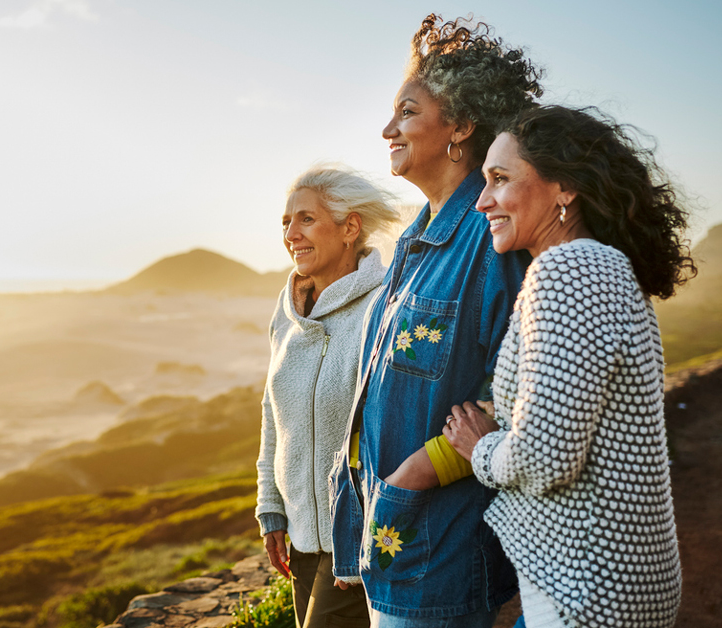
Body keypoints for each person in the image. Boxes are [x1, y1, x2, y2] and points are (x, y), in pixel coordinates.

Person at [328, 14, 541, 628]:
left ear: (461, 127)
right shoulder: (416, 241)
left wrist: (414, 477)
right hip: (397, 544)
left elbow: (523, 389)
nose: (387, 129)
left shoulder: (490, 236)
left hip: (442, 549)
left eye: (407, 112)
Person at [444, 105, 693, 627]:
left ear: (565, 189)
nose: (482, 200)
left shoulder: (569, 269)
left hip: (584, 593)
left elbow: (544, 459)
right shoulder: (600, 266)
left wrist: (480, 448)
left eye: (501, 179)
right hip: (615, 583)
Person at [256, 165, 401, 628]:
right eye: (285, 222)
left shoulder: (384, 306)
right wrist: (271, 509)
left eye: (306, 219)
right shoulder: (287, 314)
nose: (291, 233)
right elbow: (273, 415)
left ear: (349, 227)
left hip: (356, 540)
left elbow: (395, 428)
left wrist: (364, 532)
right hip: (299, 539)